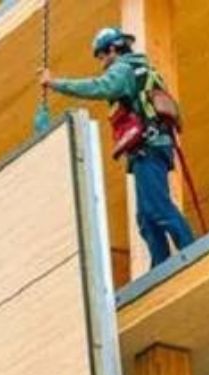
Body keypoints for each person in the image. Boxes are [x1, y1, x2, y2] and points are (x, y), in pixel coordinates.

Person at [41, 27, 195, 268]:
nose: (101, 62)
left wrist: (55, 83)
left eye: (101, 55)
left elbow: (99, 87)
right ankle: (161, 267)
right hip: (151, 147)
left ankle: (191, 252)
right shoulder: (141, 69)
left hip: (148, 146)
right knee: (146, 217)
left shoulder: (124, 69)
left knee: (159, 208)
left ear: (113, 49)